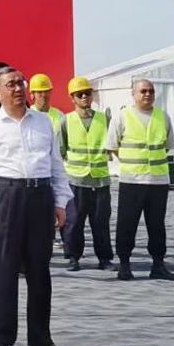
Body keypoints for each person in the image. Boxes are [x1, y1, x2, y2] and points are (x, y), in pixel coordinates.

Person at [0, 67, 72, 346]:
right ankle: (1, 338)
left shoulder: (42, 123)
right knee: (4, 268)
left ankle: (41, 340)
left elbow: (55, 165)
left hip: (40, 196)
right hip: (5, 196)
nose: (17, 88)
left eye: (20, 83)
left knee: (40, 270)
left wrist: (61, 202)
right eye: (10, 84)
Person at [107, 78, 174, 281]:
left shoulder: (162, 116)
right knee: (126, 224)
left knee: (157, 226)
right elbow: (112, 145)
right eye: (143, 91)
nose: (147, 94)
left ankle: (158, 264)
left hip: (158, 181)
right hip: (132, 180)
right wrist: (133, 163)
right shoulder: (122, 116)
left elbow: (166, 146)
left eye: (151, 91)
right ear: (134, 94)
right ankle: (124, 265)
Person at [59, 76, 115, 272]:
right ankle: (73, 257)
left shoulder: (104, 119)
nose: (84, 96)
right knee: (74, 222)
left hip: (100, 179)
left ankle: (105, 259)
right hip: (76, 179)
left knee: (101, 222)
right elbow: (61, 149)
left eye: (87, 93)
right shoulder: (66, 121)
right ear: (72, 98)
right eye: (79, 94)